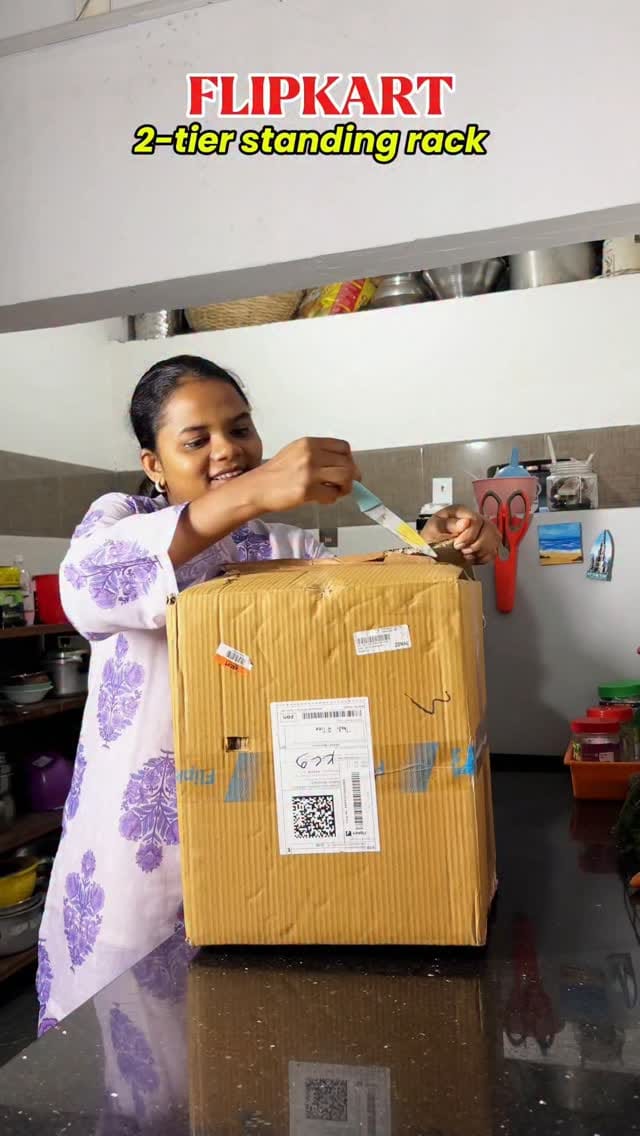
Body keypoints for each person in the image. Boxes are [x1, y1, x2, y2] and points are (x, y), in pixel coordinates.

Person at [36, 354, 499, 1032]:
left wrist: (433, 546)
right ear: (155, 462)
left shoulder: (281, 540)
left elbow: (349, 615)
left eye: (240, 428)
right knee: (142, 1062)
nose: (229, 450)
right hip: (139, 858)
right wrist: (256, 489)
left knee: (250, 1052)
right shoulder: (122, 517)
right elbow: (87, 588)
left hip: (258, 831)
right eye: (197, 440)